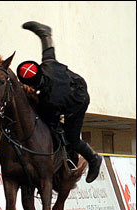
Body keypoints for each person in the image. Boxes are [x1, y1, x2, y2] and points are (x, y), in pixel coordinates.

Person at [17, 21, 102, 183]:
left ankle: (93, 159)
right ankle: (45, 31)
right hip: (75, 83)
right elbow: (48, 49)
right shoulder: (49, 64)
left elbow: (50, 122)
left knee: (72, 138)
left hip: (78, 102)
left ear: (31, 85)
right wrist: (44, 35)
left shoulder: (49, 101)